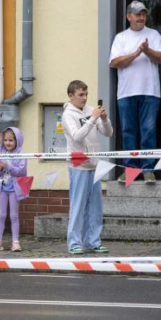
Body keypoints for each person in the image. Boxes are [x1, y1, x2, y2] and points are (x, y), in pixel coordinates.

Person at [109, 0, 161, 184]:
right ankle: (131, 170)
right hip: (126, 92)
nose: (141, 17)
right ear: (129, 17)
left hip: (150, 91)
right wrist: (136, 53)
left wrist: (147, 50)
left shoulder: (153, 34)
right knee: (128, 132)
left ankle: (148, 169)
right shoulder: (121, 38)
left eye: (143, 14)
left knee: (148, 131)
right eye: (137, 14)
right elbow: (114, 63)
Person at [62, 80, 113, 255]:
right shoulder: (68, 115)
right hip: (78, 165)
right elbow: (77, 136)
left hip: (94, 164)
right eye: (80, 95)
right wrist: (93, 118)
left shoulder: (91, 110)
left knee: (95, 207)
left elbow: (108, 133)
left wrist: (104, 119)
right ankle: (74, 243)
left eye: (86, 94)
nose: (84, 98)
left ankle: (93, 242)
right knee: (78, 206)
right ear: (71, 96)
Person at [0, 127, 27, 253]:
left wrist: (8, 166)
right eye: (5, 140)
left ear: (17, 140)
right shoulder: (1, 154)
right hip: (2, 189)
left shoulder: (21, 154)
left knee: (14, 216)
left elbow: (21, 171)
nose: (7, 143)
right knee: (1, 215)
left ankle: (15, 242)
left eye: (11, 140)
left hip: (15, 190)